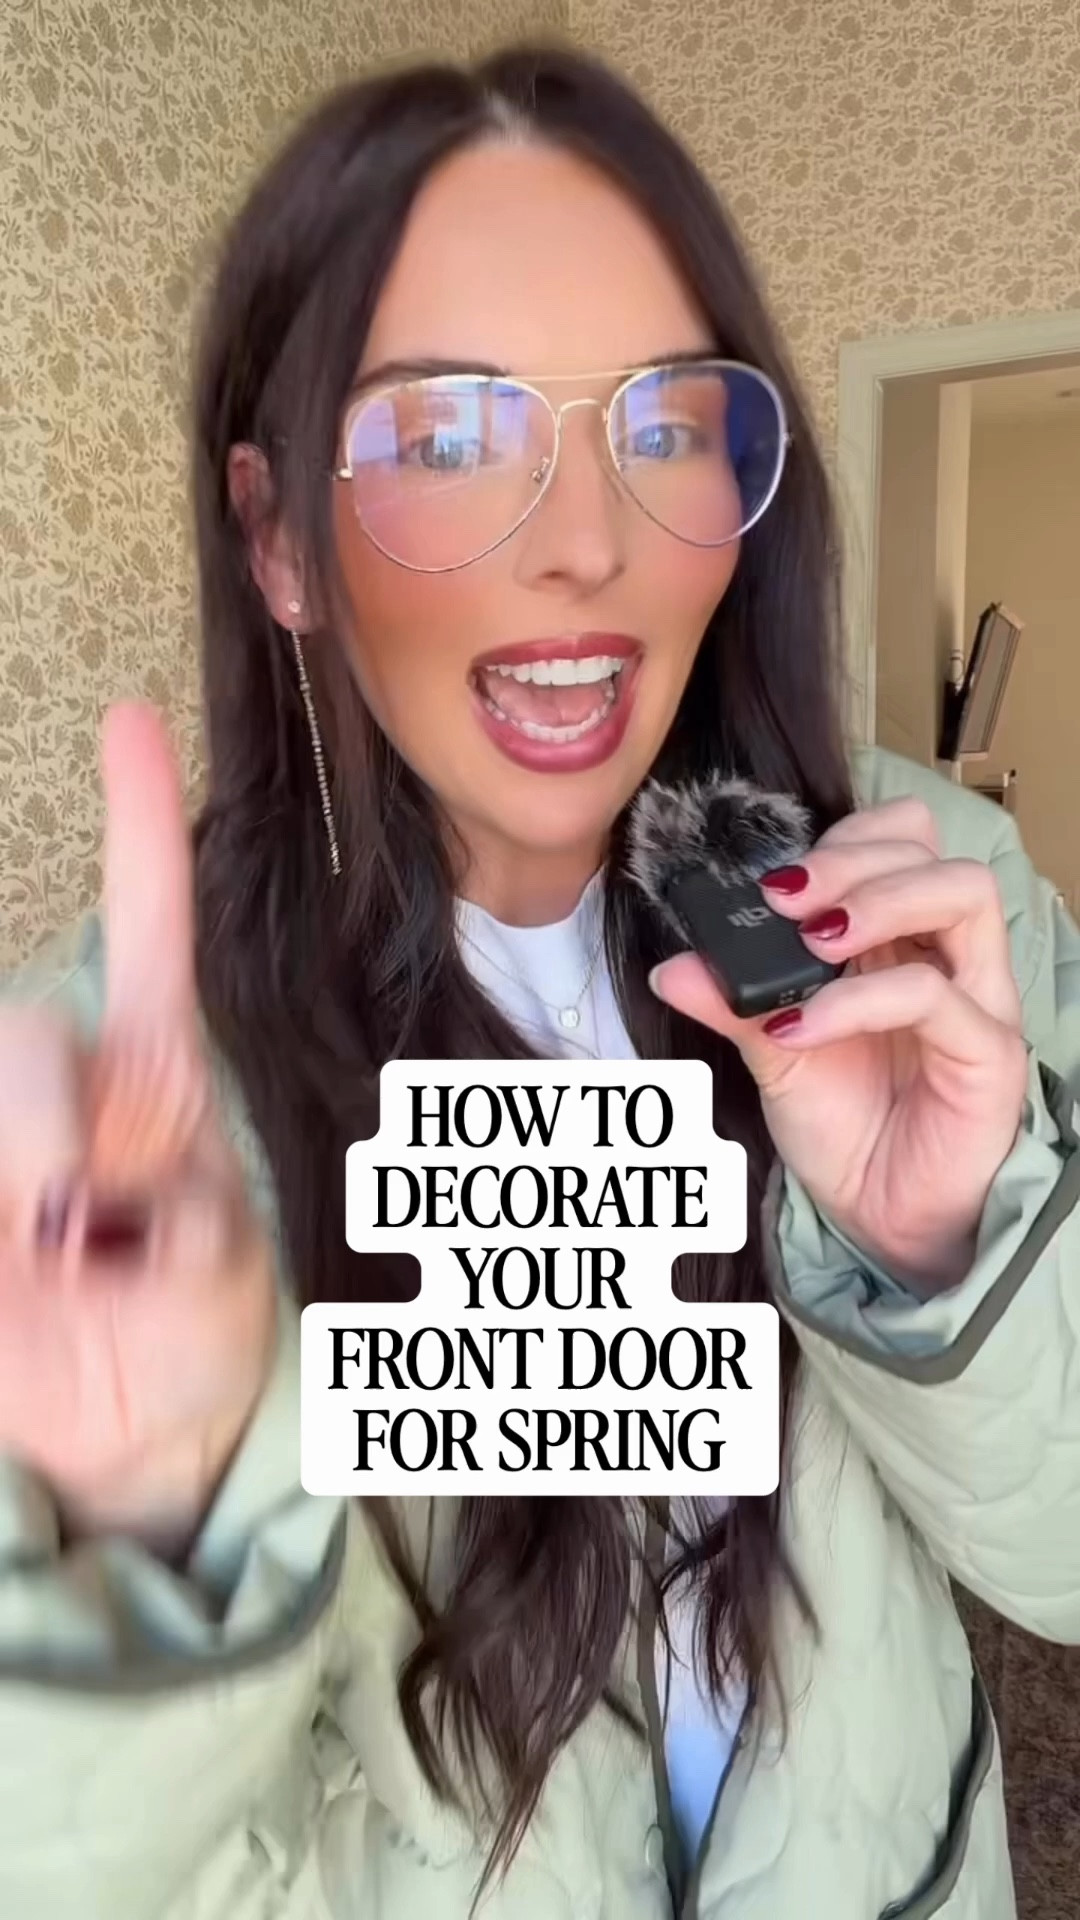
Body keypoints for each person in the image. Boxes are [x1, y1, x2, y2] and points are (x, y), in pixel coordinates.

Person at [1, 40, 1078, 1920]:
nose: (588, 540)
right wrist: (139, 1558)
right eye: (444, 437)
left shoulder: (918, 912)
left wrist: (941, 1253)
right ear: (279, 544)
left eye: (663, 422)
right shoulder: (120, 1109)